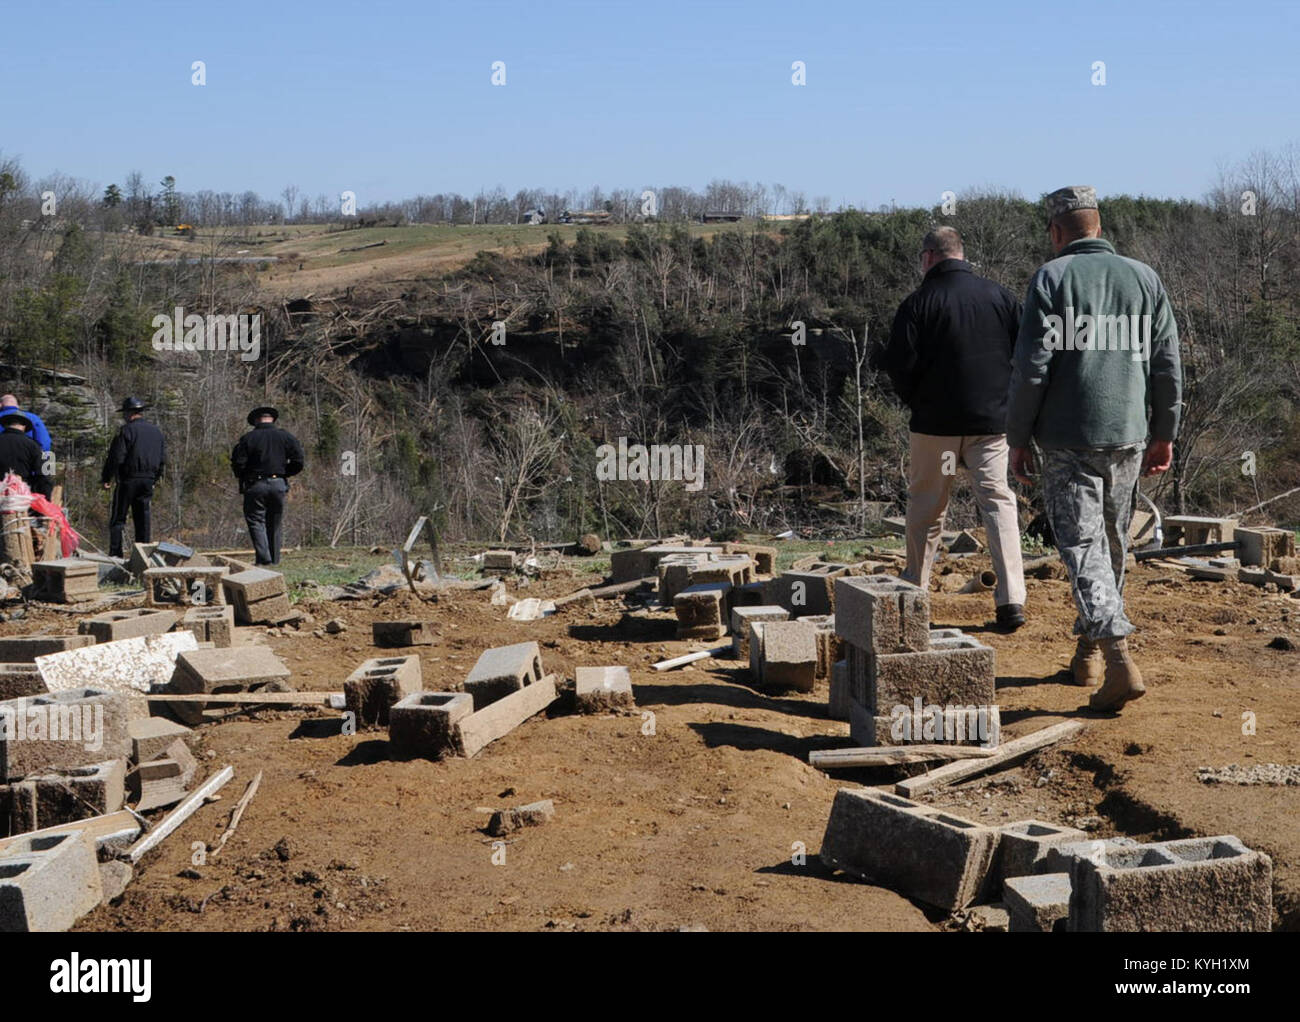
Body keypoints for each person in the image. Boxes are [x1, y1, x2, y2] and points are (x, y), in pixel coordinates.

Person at [1006, 185, 1182, 711]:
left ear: (1058, 233)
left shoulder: (1051, 278)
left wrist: (1017, 438)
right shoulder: (1143, 279)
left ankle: (1119, 658)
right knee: (1110, 544)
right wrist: (1164, 431)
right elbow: (1167, 362)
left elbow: (1031, 370)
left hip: (1067, 439)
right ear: (1098, 228)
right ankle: (1088, 652)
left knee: (1083, 548)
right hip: (1128, 433)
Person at [880, 225, 1027, 631]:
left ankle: (916, 592)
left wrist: (918, 400)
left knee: (928, 507)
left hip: (937, 428)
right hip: (991, 425)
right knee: (997, 503)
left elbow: (898, 365)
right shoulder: (1000, 297)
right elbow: (1026, 355)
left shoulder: (918, 303)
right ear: (961, 255)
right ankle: (1012, 599)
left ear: (929, 257)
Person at [231, 406, 304, 566]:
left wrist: (245, 477)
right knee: (275, 522)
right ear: (273, 419)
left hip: (256, 483)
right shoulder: (286, 437)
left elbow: (238, 464)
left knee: (256, 521)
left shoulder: (248, 438)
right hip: (278, 483)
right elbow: (299, 461)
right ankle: (274, 559)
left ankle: (264, 560)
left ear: (256, 420)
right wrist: (284, 473)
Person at [101, 397, 166, 557]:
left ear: (129, 414)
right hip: (148, 479)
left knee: (118, 518)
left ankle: (115, 555)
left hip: (129, 479)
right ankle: (143, 555)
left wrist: (107, 477)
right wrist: (155, 479)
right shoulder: (156, 432)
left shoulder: (126, 431)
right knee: (143, 518)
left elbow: (117, 457)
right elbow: (163, 459)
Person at [0, 410, 52, 498]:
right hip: (23, 496)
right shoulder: (33, 445)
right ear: (24, 426)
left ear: (5, 425)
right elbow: (44, 475)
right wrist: (47, 500)